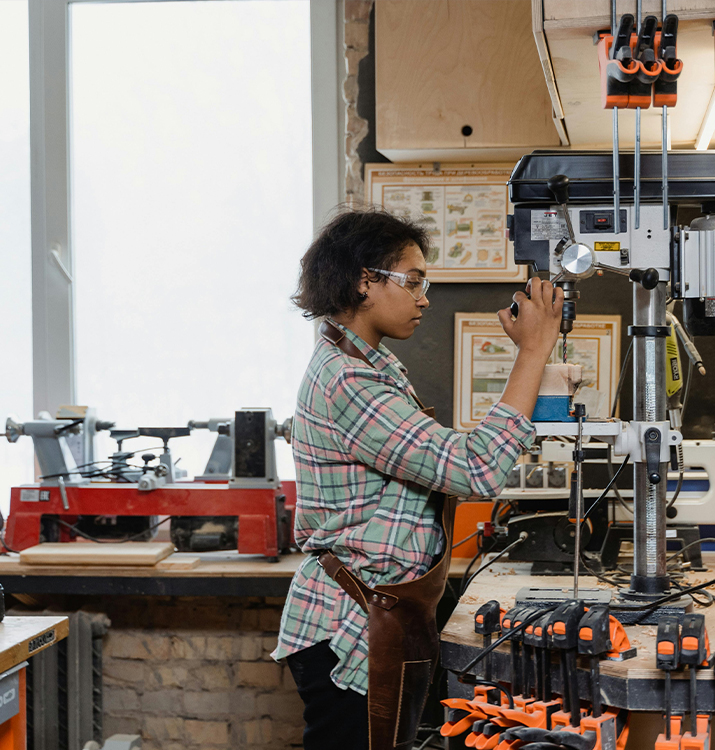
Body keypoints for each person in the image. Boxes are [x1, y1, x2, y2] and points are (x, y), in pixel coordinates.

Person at [272, 208, 563, 750]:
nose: (425, 297)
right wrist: (532, 351)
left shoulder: (377, 365)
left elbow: (444, 459)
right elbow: (476, 468)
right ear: (365, 280)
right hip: (350, 630)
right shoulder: (348, 380)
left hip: (380, 615)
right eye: (413, 280)